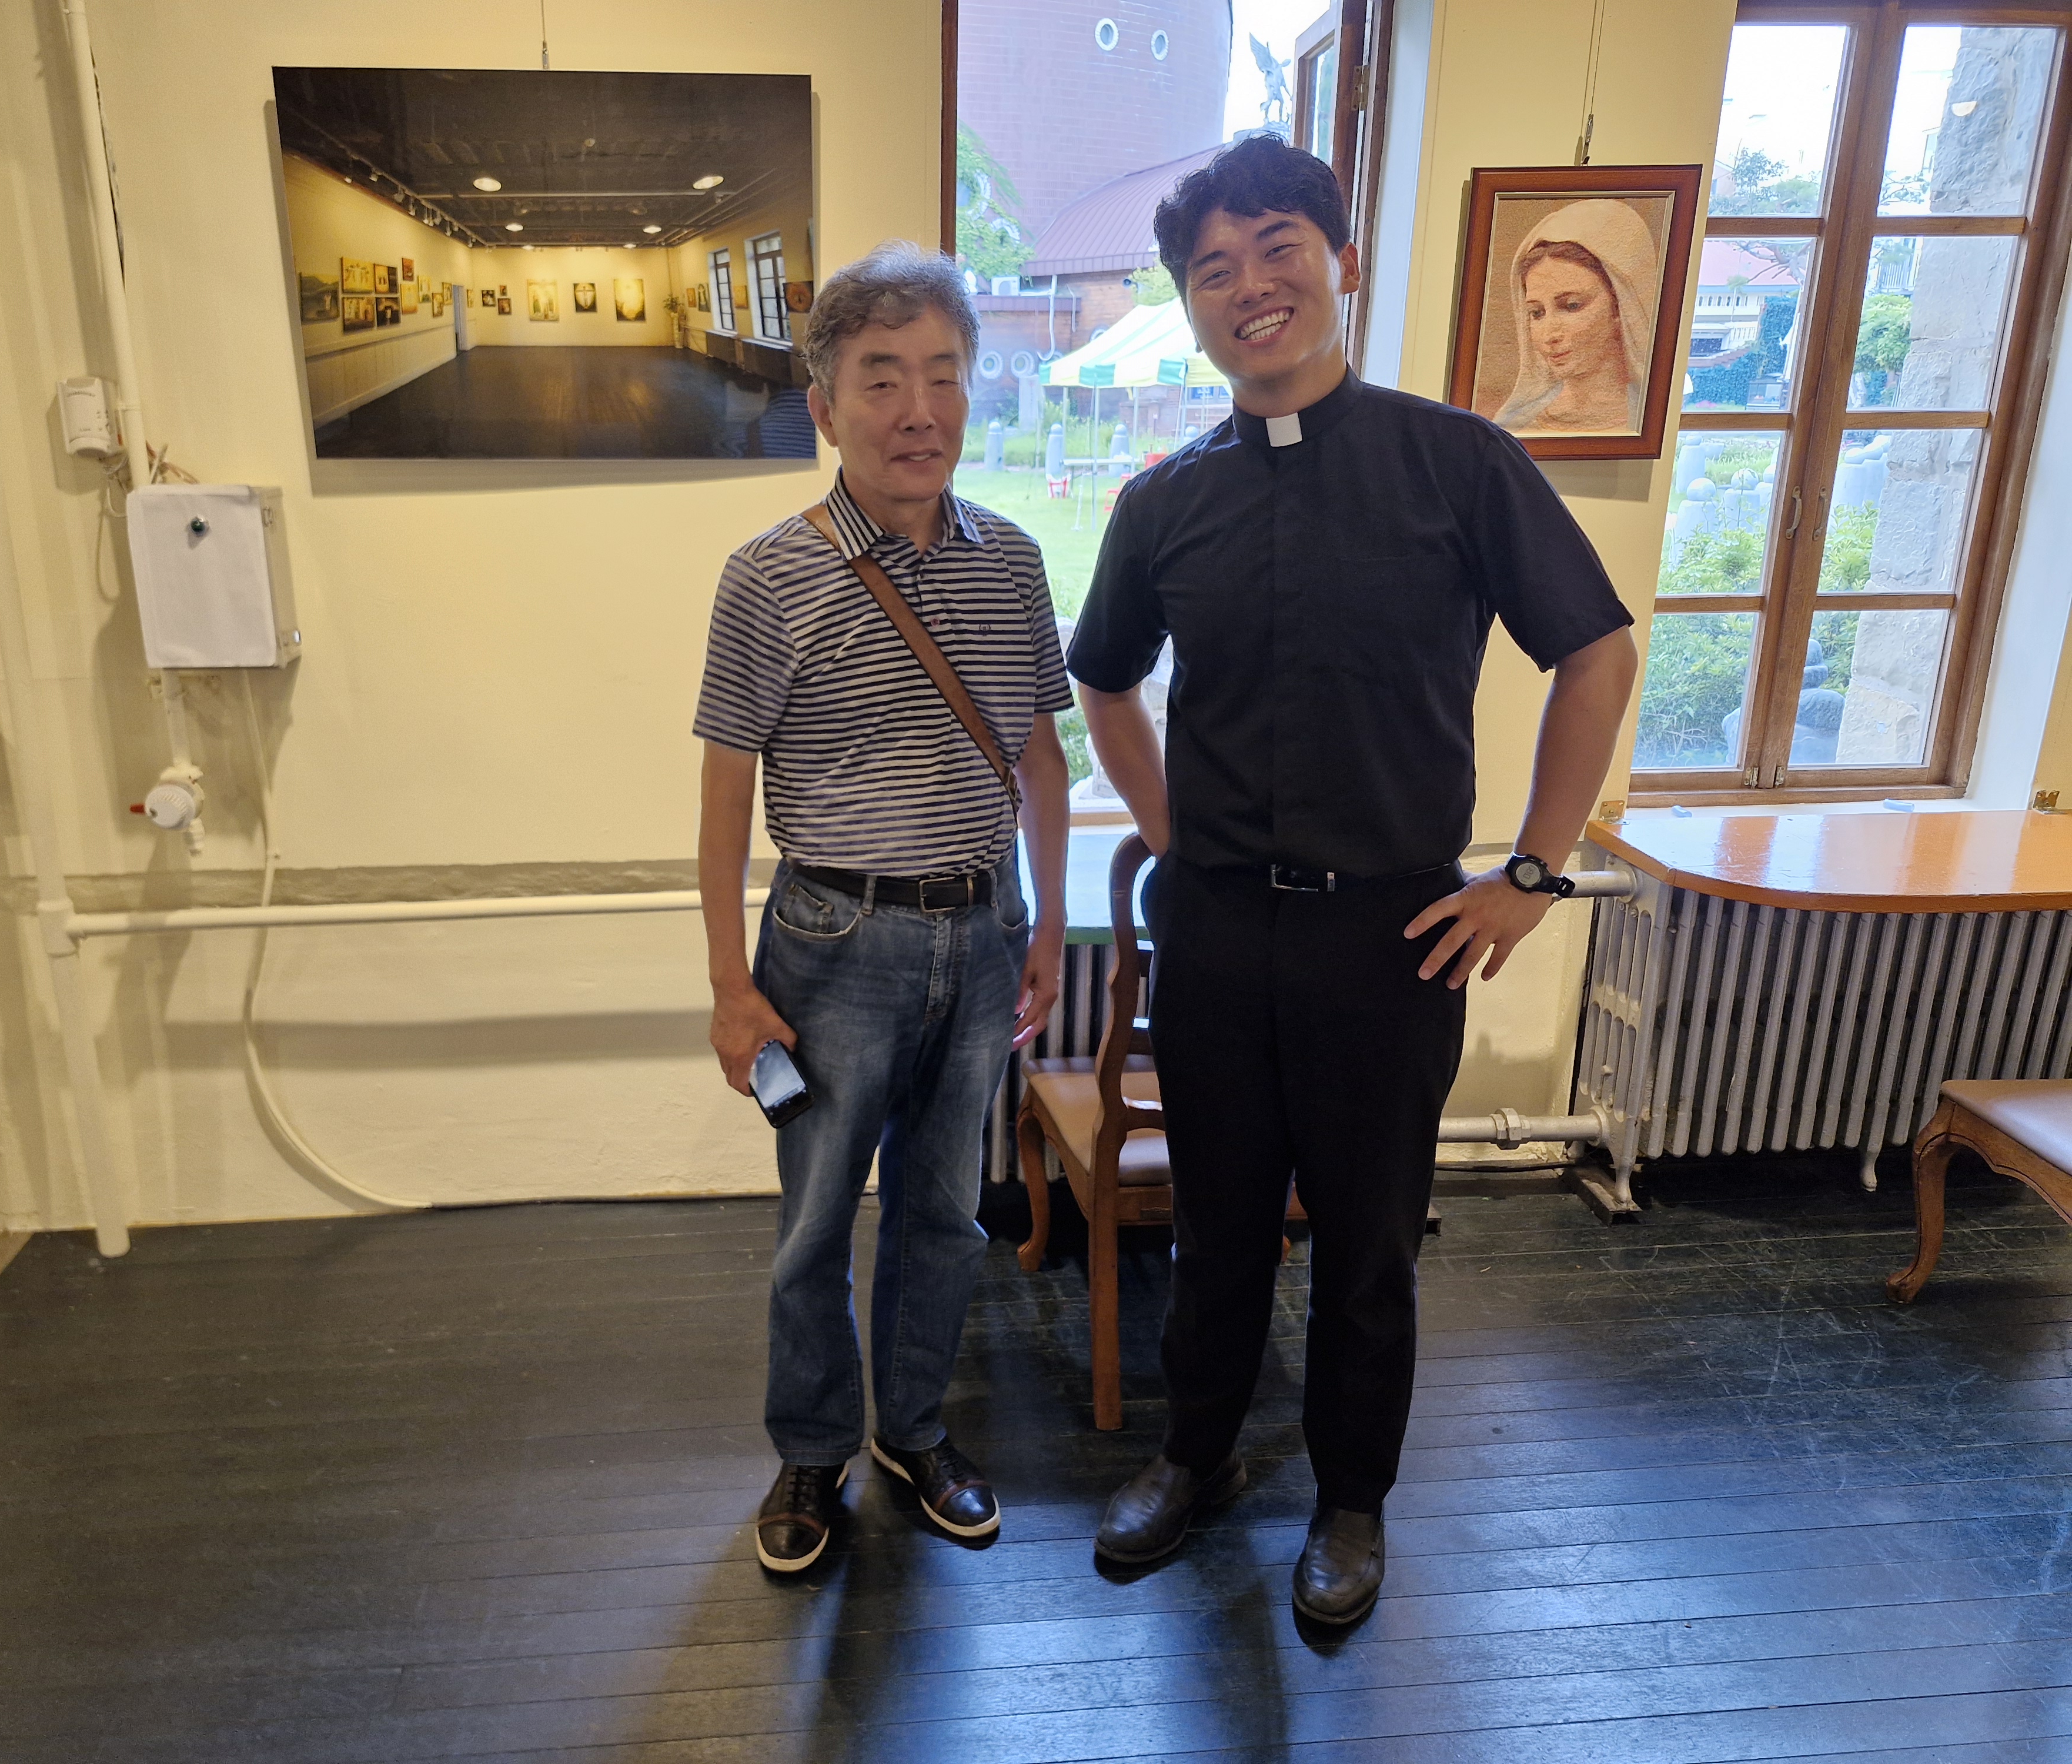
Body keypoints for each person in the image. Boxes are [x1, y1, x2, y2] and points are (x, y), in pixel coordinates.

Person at [1067, 135, 1638, 1623]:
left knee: (1368, 1242)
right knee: (1214, 1225)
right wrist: (1168, 830)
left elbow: (1594, 651)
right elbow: (1104, 679)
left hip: (1392, 937)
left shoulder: (1457, 462)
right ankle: (1192, 1457)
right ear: (1190, 305)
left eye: (1278, 249)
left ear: (1341, 262)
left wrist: (1532, 871)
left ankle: (1350, 1501)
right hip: (1213, 931)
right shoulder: (1162, 501)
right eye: (1213, 269)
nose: (1249, 287)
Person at [693, 242, 1075, 1575]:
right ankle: (812, 1448)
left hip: (980, 937)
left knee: (942, 1214)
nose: (920, 409)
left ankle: (913, 1429)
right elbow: (724, 792)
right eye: (882, 379)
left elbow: (1041, 757)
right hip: (829, 949)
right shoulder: (767, 576)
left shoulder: (1012, 561)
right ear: (824, 405)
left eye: (944, 375)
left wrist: (1044, 923)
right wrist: (729, 987)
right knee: (814, 1222)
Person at [1492, 199, 1661, 435]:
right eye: (1537, 313)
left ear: (1619, 307)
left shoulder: (1651, 419)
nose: (1550, 335)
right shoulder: (1517, 424)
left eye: (1572, 306)